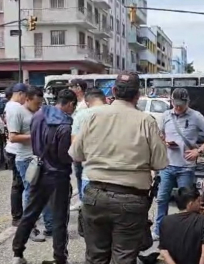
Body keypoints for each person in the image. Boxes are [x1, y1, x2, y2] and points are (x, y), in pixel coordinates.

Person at [69, 71, 168, 264]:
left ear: (113, 91)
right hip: (131, 199)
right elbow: (160, 163)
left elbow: (75, 154)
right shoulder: (146, 121)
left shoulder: (91, 116)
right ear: (138, 95)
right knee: (123, 258)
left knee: (96, 257)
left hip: (95, 196)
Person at [12, 89, 77, 264]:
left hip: (39, 170)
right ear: (70, 104)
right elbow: (64, 155)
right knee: (59, 219)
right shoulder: (65, 125)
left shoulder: (39, 115)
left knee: (30, 214)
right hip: (58, 176)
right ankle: (59, 258)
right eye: (73, 106)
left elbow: (34, 140)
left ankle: (17, 253)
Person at [154, 87, 204, 240]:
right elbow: (158, 134)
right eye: (175, 104)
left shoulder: (195, 116)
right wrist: (165, 142)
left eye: (180, 105)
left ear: (187, 102)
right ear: (171, 101)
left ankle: (186, 231)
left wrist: (199, 151)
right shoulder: (165, 116)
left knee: (187, 203)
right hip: (167, 166)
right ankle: (159, 230)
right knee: (162, 198)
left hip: (186, 167)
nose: (177, 108)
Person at [7, 85, 53, 238]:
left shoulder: (37, 112)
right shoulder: (17, 112)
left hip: (40, 156)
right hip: (26, 159)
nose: (38, 106)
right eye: (36, 103)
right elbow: (13, 137)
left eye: (40, 104)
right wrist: (36, 137)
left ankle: (50, 225)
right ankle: (29, 228)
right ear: (27, 99)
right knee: (31, 193)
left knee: (45, 191)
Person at [71, 88, 108, 237]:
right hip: (115, 175)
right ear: (104, 99)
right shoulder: (115, 113)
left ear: (87, 102)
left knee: (91, 217)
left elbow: (75, 146)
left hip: (90, 173)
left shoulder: (81, 115)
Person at [158, 186, 204, 264]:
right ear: (190, 204)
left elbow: (164, 251)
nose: (201, 204)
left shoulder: (165, 221)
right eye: (198, 201)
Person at [3, 84, 25, 227]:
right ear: (20, 94)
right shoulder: (15, 107)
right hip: (16, 150)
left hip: (13, 150)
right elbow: (14, 135)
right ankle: (17, 216)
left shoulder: (9, 106)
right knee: (18, 185)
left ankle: (19, 214)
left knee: (20, 184)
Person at [68, 78, 88, 204]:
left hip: (81, 144)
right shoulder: (76, 104)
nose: (69, 89)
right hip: (76, 143)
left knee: (81, 173)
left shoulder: (84, 106)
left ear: (78, 88)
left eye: (71, 87)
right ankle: (81, 197)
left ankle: (83, 199)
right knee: (78, 173)